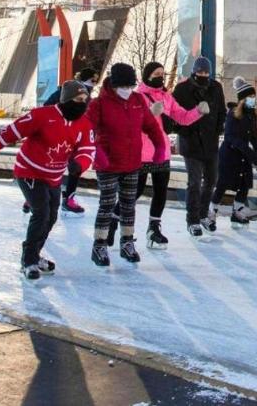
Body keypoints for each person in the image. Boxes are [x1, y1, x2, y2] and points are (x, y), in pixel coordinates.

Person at [0, 81, 95, 279]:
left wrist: (79, 164)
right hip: (29, 171)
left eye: (85, 100)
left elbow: (88, 149)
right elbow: (7, 133)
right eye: (78, 99)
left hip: (54, 175)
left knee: (52, 217)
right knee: (41, 212)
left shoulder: (84, 123)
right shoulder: (42, 116)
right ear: (66, 100)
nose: (82, 104)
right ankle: (28, 261)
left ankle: (35, 255)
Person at [86, 63, 168, 267]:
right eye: (123, 86)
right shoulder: (99, 104)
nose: (127, 90)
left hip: (132, 163)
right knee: (106, 203)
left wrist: (159, 146)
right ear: (113, 85)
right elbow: (87, 129)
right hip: (107, 164)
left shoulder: (138, 100)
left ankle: (127, 242)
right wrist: (98, 151)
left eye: (130, 85)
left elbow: (151, 125)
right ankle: (100, 245)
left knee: (128, 204)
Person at [135, 61, 210, 248]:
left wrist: (198, 111)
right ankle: (114, 222)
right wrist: (150, 114)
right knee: (134, 192)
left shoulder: (166, 97)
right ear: (147, 75)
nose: (160, 76)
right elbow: (131, 125)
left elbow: (182, 117)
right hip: (142, 153)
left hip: (161, 152)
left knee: (161, 192)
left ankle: (154, 229)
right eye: (156, 73)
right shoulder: (137, 96)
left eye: (162, 73)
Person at [24, 67, 98, 216]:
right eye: (92, 80)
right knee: (47, 167)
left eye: (96, 81)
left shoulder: (89, 97)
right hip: (57, 138)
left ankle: (69, 198)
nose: (94, 84)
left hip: (76, 139)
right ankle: (32, 197)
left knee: (75, 168)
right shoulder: (64, 91)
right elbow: (47, 109)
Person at [172, 56, 226, 238]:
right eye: (200, 72)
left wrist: (218, 129)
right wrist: (185, 132)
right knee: (194, 182)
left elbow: (221, 112)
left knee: (211, 180)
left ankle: (203, 214)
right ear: (194, 71)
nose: (203, 75)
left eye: (206, 72)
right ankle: (192, 219)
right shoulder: (182, 89)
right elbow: (173, 113)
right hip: (192, 143)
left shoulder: (216, 87)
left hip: (210, 143)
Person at [211, 77, 257, 228]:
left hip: (243, 156)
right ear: (242, 99)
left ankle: (237, 211)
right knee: (222, 184)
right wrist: (251, 154)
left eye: (254, 97)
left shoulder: (251, 115)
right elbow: (231, 138)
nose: (252, 99)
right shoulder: (233, 114)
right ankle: (211, 211)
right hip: (229, 156)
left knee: (244, 183)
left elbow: (254, 138)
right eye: (250, 97)